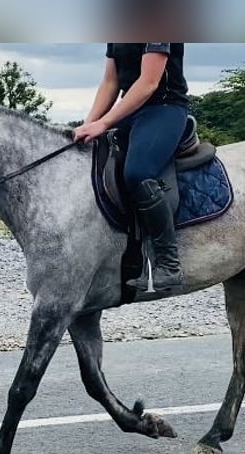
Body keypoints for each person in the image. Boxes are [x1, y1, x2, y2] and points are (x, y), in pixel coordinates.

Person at [74, 43, 190, 291]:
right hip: (130, 110)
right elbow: (110, 83)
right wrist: (88, 124)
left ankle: (169, 263)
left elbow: (149, 83)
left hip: (164, 107)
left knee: (138, 172)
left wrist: (104, 123)